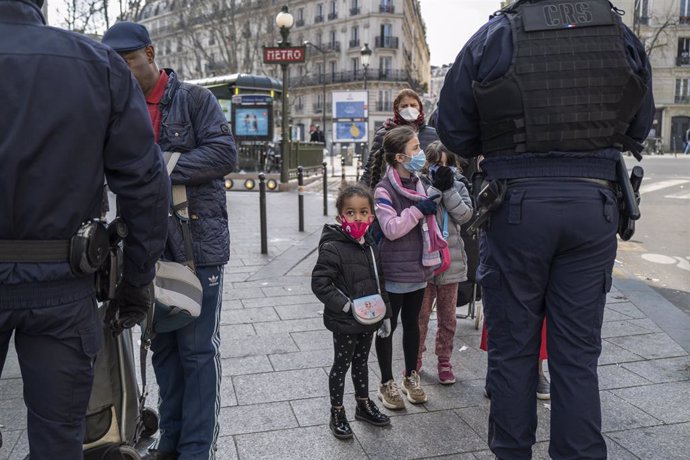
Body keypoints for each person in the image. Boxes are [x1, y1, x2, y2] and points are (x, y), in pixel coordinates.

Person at [436, 1, 654, 458]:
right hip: (592, 204)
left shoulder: (494, 35)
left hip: (517, 205)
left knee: (514, 352)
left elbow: (453, 129)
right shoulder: (619, 33)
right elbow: (639, 125)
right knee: (576, 356)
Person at [0, 2, 170, 458]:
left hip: (58, 275)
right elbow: (145, 184)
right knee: (60, 438)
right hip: (62, 278)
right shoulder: (96, 65)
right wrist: (136, 279)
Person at [102, 22, 237, 460]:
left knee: (196, 350)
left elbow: (224, 153)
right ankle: (172, 439)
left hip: (197, 246)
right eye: (115, 65)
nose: (122, 71)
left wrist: (155, 166)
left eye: (129, 62)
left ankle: (198, 449)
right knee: (161, 347)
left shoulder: (195, 99)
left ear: (151, 53)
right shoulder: (115, 107)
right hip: (145, 247)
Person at [370, 125, 447, 409]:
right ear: (400, 157)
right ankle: (386, 382)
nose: (421, 154)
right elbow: (391, 228)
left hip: (418, 268)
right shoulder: (383, 190)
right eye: (415, 149)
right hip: (392, 272)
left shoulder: (420, 183)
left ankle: (410, 376)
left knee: (413, 325)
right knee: (387, 328)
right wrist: (418, 210)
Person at [312, 184, 392, 439]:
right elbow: (320, 284)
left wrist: (385, 314)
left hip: (369, 317)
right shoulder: (332, 247)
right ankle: (337, 411)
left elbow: (380, 281)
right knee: (342, 363)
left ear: (371, 216)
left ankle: (363, 404)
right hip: (346, 319)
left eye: (363, 212)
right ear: (340, 217)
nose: (357, 218)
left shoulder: (370, 245)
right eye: (350, 212)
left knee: (361, 362)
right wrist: (346, 305)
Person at [417, 141, 473, 385]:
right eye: (437, 164)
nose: (442, 169)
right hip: (425, 262)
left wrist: (448, 189)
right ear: (426, 164)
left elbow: (465, 215)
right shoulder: (419, 185)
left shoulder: (459, 186)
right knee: (420, 317)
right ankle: (415, 359)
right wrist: (435, 191)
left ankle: (444, 361)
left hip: (452, 262)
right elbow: (419, 211)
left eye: (447, 164)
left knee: (448, 318)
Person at [360, 88, 438, 187]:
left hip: (426, 191)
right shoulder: (384, 134)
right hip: (392, 190)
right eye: (404, 106)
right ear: (397, 109)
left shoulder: (433, 134)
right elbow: (371, 168)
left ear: (420, 108)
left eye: (413, 105)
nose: (409, 109)